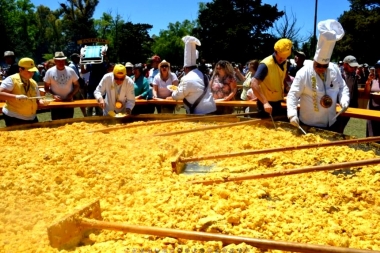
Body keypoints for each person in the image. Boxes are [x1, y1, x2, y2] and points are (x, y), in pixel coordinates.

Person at [287, 19, 350, 133]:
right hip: (309, 124)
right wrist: (292, 114)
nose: (321, 68)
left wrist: (344, 99)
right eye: (318, 65)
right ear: (314, 61)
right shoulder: (303, 72)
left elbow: (342, 87)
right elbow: (293, 94)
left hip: (331, 122)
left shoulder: (334, 69)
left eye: (324, 66)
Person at [172, 35, 216, 114]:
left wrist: (174, 91)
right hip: (211, 109)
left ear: (185, 68)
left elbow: (177, 96)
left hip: (199, 113)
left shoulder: (186, 78)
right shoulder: (203, 75)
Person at [0, 58, 49, 126]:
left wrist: (42, 102)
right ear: (20, 69)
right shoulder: (11, 80)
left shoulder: (33, 82)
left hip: (31, 117)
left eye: (33, 71)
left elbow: (38, 99)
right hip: (14, 117)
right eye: (29, 71)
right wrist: (16, 97)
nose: (32, 73)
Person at [251, 38, 292, 118]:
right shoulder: (265, 64)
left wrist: (288, 88)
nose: (282, 59)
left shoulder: (284, 63)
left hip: (278, 102)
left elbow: (280, 79)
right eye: (280, 57)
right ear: (275, 52)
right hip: (266, 104)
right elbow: (253, 83)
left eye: (285, 57)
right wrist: (265, 102)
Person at [44, 51, 80, 120]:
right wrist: (53, 96)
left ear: (65, 61)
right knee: (56, 123)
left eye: (62, 60)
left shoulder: (71, 70)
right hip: (55, 103)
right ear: (55, 61)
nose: (61, 62)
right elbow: (46, 88)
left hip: (68, 102)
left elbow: (77, 85)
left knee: (69, 123)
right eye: (58, 61)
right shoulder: (49, 71)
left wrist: (71, 94)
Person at [336, 55, 359, 133]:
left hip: (349, 106)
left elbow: (354, 91)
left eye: (355, 67)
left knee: (342, 126)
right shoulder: (337, 74)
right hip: (337, 105)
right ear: (344, 64)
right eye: (351, 66)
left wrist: (355, 104)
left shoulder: (354, 76)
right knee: (336, 126)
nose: (353, 68)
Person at [363, 60, 380, 137]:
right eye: (377, 67)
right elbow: (366, 94)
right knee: (371, 132)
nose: (378, 70)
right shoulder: (373, 80)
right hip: (372, 108)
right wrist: (368, 82)